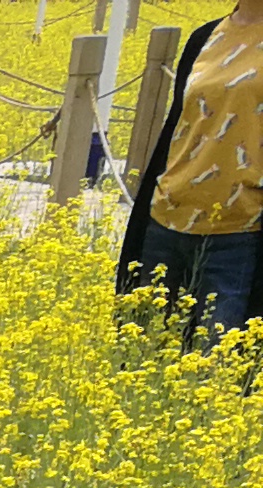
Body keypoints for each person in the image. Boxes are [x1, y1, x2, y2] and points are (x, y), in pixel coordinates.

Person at [118, 0, 263, 346]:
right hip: (167, 220)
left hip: (239, 231)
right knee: (145, 355)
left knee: (217, 369)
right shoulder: (205, 37)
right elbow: (179, 127)